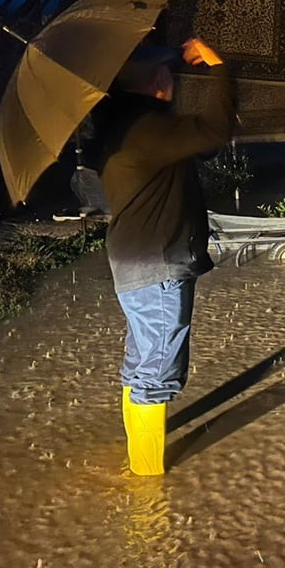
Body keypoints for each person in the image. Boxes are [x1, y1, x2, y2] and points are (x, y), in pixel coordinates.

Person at [95, 37, 234, 475]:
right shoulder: (148, 130)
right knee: (157, 373)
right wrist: (219, 67)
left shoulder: (127, 126)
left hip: (136, 261)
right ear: (159, 81)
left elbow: (203, 143)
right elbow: (215, 130)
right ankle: (148, 488)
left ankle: (139, 461)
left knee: (141, 362)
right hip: (156, 265)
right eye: (168, 72)